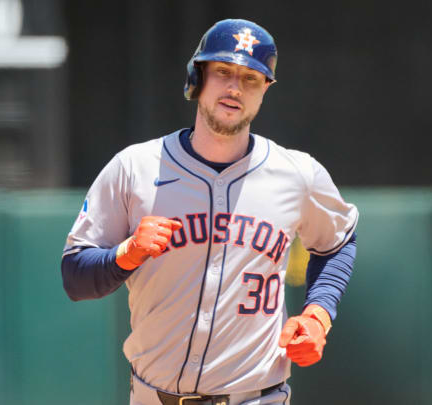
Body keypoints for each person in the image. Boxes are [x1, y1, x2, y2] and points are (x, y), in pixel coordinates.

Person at [61, 19, 358, 405]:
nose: (235, 87)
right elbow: (74, 277)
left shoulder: (297, 174)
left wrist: (318, 314)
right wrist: (126, 253)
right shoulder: (135, 167)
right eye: (223, 72)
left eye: (251, 78)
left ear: (266, 89)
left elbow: (338, 241)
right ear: (197, 77)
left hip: (257, 396)